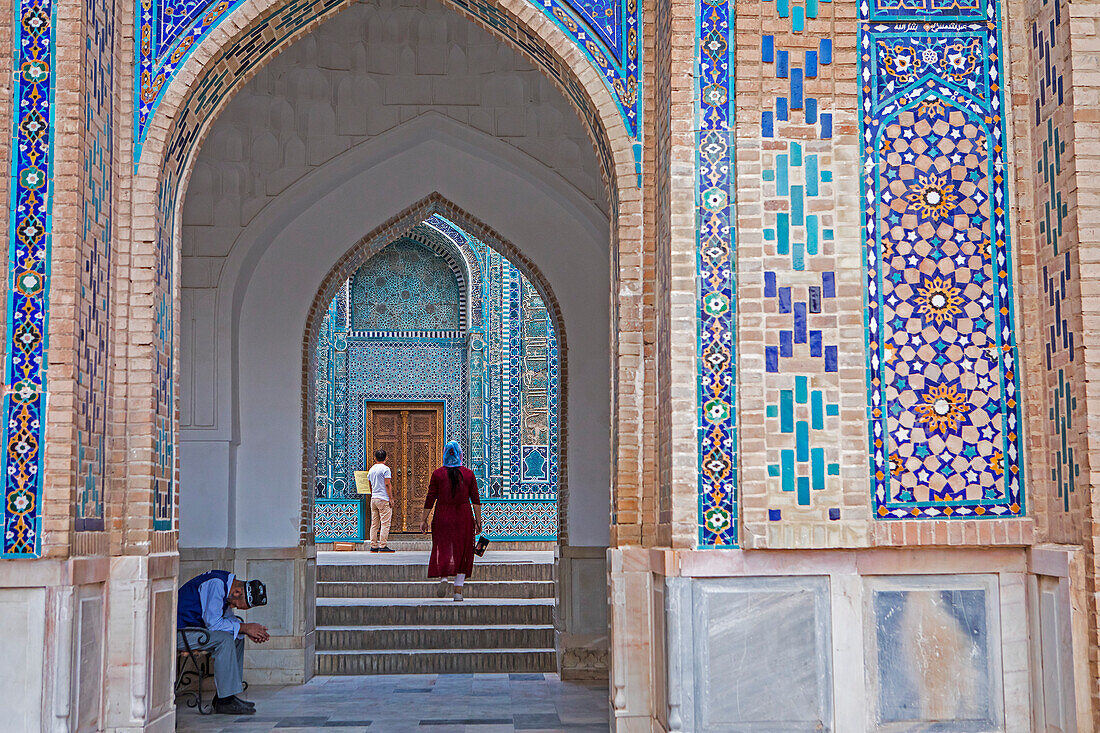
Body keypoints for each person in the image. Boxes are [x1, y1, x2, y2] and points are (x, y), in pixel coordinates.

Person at [176, 570, 269, 715]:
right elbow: (213, 624)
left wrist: (246, 631)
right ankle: (225, 701)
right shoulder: (216, 584)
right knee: (225, 639)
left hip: (195, 632)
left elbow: (228, 621)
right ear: (237, 592)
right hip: (178, 633)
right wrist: (245, 628)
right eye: (237, 605)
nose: (233, 607)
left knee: (236, 636)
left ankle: (227, 696)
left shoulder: (227, 587)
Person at [420, 440, 482, 601]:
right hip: (464, 516)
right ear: (460, 455)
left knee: (444, 547)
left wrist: (424, 520)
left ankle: (444, 578)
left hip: (443, 515)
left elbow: (430, 498)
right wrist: (478, 521)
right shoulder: (468, 474)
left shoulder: (438, 474)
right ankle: (458, 591)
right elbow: (475, 500)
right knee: (463, 551)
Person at [367, 449, 396, 552]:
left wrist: (373, 494)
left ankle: (373, 545)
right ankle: (383, 546)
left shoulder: (371, 470)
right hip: (383, 498)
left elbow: (370, 484)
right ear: (386, 458)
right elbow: (387, 484)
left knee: (374, 523)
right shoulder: (385, 469)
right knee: (385, 523)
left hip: (374, 498)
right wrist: (390, 498)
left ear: (375, 458)